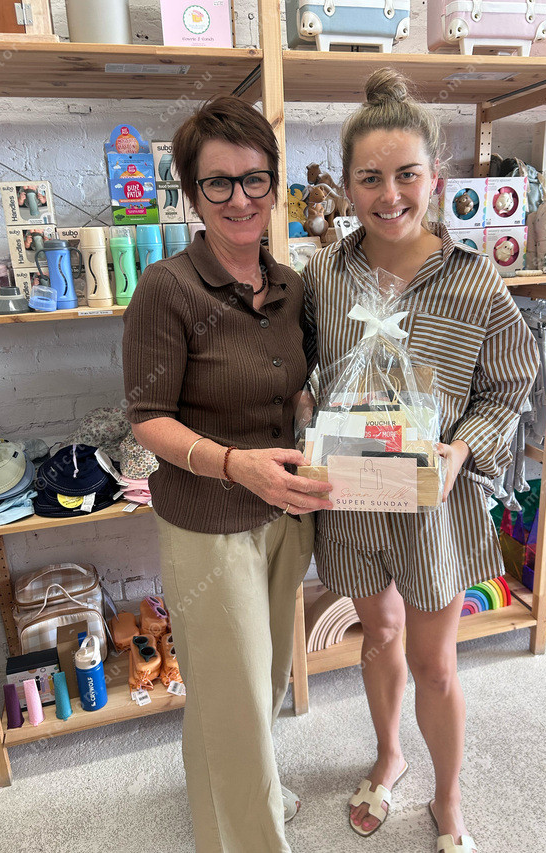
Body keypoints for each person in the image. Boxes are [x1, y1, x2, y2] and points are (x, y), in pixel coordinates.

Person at [303, 69, 539, 853]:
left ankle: (448, 796)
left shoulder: (473, 280)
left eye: (406, 174)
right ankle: (389, 753)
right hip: (351, 492)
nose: (390, 195)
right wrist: (305, 418)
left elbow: (511, 382)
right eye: (370, 178)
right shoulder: (325, 275)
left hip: (434, 499)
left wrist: (462, 445)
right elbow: (304, 370)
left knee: (435, 664)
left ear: (434, 178)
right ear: (346, 185)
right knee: (377, 637)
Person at [122, 95, 332, 853]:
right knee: (236, 697)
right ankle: (251, 833)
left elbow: (292, 387)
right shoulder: (167, 288)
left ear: (275, 184)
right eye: (218, 182)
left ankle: (241, 793)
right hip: (209, 524)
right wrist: (235, 465)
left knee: (256, 683)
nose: (240, 198)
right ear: (192, 192)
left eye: (254, 179)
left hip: (286, 513)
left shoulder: (293, 286)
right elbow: (148, 417)